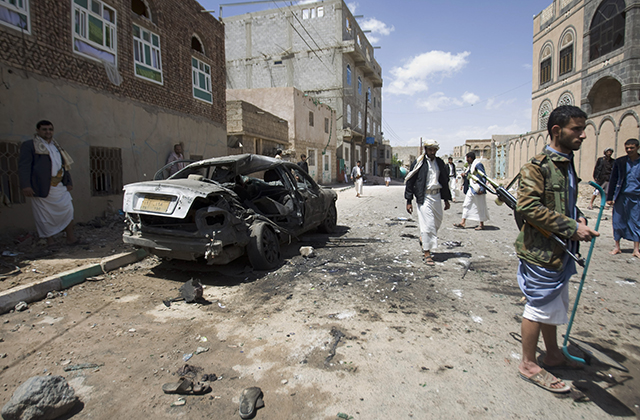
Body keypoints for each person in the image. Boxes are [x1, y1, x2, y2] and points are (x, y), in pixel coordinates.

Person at [516, 105, 599, 393]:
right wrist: (571, 227)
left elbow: (563, 202)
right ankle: (528, 363)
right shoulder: (536, 167)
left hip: (560, 251)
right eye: (576, 129)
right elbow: (527, 207)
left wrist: (578, 217)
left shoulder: (566, 163)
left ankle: (552, 354)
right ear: (556, 130)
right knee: (538, 306)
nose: (583, 135)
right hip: (541, 252)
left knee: (553, 305)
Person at [18, 120, 78, 245]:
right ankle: (50, 241)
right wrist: (26, 185)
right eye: (44, 129)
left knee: (68, 210)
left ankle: (70, 238)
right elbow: (24, 167)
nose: (48, 132)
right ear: (38, 131)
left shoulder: (56, 146)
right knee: (44, 216)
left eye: (50, 129)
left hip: (59, 186)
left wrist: (68, 181)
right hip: (41, 186)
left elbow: (64, 165)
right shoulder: (30, 145)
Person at [404, 140, 451, 266]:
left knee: (437, 221)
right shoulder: (419, 163)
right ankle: (427, 253)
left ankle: (422, 240)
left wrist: (446, 199)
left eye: (434, 150)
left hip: (437, 196)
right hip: (423, 196)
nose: (432, 152)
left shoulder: (440, 163)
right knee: (427, 225)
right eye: (430, 149)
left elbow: (444, 181)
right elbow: (410, 181)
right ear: (425, 149)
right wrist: (409, 201)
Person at [607, 138, 640, 258]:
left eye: (632, 148)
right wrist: (609, 197)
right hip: (621, 195)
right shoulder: (620, 161)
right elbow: (613, 179)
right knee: (617, 220)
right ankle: (617, 247)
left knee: (636, 222)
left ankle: (636, 249)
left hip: (636, 197)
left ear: (637, 147)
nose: (629, 150)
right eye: (627, 148)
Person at [454, 152, 489, 230]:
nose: (466, 160)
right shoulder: (471, 166)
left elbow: (483, 177)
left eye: (467, 158)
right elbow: (470, 175)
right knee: (466, 204)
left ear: (470, 158)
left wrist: (482, 189)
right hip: (471, 188)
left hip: (478, 189)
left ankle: (481, 224)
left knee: (480, 206)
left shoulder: (478, 164)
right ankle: (463, 222)